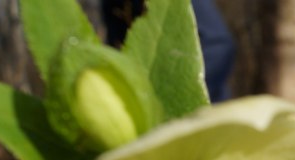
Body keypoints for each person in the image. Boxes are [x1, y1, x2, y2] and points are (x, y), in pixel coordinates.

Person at [101, 0, 236, 102]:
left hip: (199, 114)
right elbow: (119, 49)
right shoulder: (109, 3)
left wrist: (173, 92)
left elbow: (218, 46)